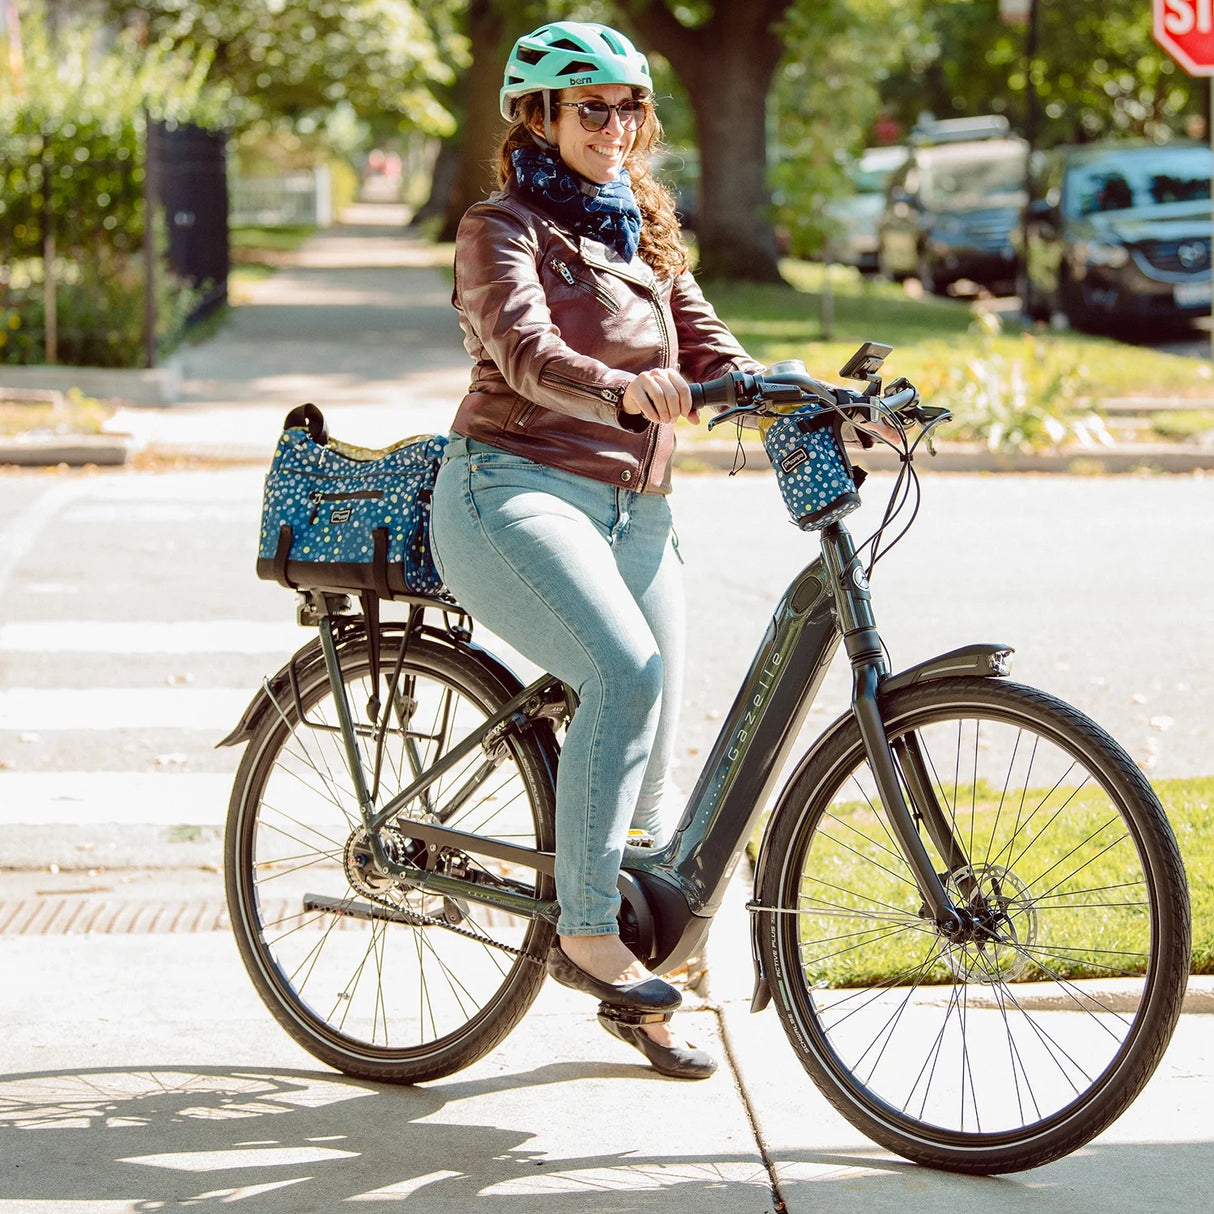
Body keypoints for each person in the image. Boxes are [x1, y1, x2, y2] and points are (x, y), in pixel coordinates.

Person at [429, 20, 762, 1080]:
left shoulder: (645, 232)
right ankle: (582, 931)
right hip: (511, 486)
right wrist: (618, 387)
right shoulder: (501, 226)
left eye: (628, 108)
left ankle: (641, 996)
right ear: (537, 117)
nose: (614, 128)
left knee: (651, 756)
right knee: (624, 671)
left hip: (639, 510)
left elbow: (714, 351)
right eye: (590, 108)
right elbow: (522, 350)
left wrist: (822, 403)